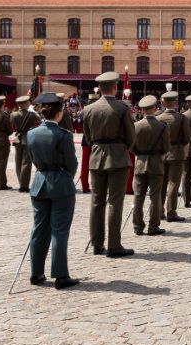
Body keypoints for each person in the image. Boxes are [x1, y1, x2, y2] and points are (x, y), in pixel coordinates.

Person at [27, 92, 79, 289]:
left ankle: (36, 273)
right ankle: (60, 275)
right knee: (59, 230)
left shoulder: (31, 134)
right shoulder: (63, 135)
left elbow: (33, 159)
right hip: (60, 184)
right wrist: (64, 178)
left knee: (39, 230)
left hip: (39, 182)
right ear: (59, 114)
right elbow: (71, 164)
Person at [82, 72, 136, 257]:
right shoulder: (122, 108)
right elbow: (131, 137)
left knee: (97, 202)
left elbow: (88, 138)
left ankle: (97, 244)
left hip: (96, 157)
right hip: (118, 157)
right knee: (115, 202)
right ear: (115, 87)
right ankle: (114, 245)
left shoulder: (88, 109)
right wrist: (121, 148)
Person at [131, 95, 170, 236]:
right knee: (155, 197)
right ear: (154, 108)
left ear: (142, 110)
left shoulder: (135, 126)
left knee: (138, 196)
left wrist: (140, 154)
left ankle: (137, 226)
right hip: (156, 163)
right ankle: (153, 226)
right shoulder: (162, 126)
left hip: (140, 163)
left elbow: (131, 146)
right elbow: (166, 147)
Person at [157, 90, 190, 222]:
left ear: (162, 102)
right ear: (175, 103)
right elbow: (187, 138)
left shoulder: (157, 117)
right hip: (176, 152)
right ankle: (171, 212)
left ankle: (159, 212)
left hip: (161, 154)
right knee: (173, 183)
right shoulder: (181, 118)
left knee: (161, 184)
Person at [11, 95, 42, 192]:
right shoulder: (31, 115)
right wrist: (33, 111)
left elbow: (11, 123)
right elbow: (39, 119)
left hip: (17, 138)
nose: (29, 103)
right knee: (26, 163)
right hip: (28, 138)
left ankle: (21, 182)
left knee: (18, 162)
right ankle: (24, 186)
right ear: (25, 104)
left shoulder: (13, 114)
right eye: (28, 102)